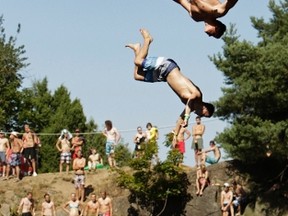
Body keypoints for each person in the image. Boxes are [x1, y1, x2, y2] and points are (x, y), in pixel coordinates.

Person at [125, 29, 214, 146]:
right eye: (203, 113)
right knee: (138, 61)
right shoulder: (197, 95)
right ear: (205, 108)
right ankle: (148, 40)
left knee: (137, 75)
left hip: (163, 76)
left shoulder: (190, 107)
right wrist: (187, 117)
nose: (200, 115)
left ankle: (137, 49)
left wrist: (175, 135)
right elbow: (190, 100)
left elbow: (180, 120)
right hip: (167, 67)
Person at [173, 0, 238, 38]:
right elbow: (231, 2)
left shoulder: (196, 17)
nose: (209, 36)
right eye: (213, 34)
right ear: (217, 28)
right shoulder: (219, 12)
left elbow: (181, 1)